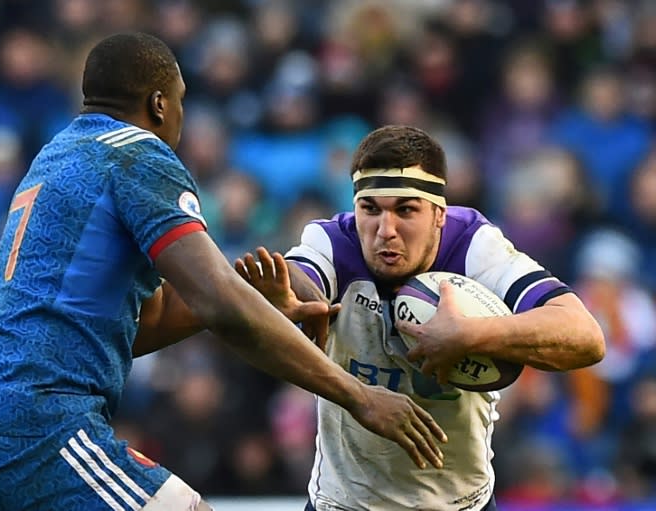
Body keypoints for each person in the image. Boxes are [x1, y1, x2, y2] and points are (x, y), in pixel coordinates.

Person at [0, 34, 448, 511]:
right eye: (180, 100)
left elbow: (137, 323)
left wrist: (250, 295)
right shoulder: (139, 155)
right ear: (159, 103)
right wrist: (358, 396)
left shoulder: (56, 156)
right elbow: (218, 302)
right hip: (34, 429)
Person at [235, 125, 606, 511]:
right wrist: (280, 301)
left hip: (460, 504)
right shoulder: (332, 242)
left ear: (439, 215)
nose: (386, 231)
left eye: (406, 210)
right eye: (371, 209)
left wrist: (472, 334)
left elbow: (585, 336)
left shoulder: (475, 248)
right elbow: (299, 278)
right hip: (343, 504)